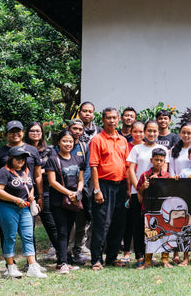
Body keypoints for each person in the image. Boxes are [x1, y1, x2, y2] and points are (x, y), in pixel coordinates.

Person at [0, 146, 47, 279]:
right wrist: (15, 199)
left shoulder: (27, 171)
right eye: (17, 158)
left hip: (25, 208)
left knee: (28, 236)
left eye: (23, 158)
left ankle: (32, 266)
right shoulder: (3, 172)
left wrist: (31, 196)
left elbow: (30, 186)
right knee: (10, 236)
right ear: (11, 158)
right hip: (7, 207)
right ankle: (11, 267)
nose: (21, 160)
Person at [88, 107, 130, 270]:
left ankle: (112, 257)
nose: (112, 121)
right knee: (102, 223)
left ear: (118, 119)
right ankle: (96, 259)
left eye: (114, 118)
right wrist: (97, 190)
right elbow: (93, 166)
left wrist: (127, 190)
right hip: (104, 186)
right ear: (103, 120)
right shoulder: (97, 140)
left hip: (120, 187)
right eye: (108, 118)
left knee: (118, 223)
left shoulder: (122, 140)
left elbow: (126, 166)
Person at [126, 120, 169, 266]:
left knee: (156, 224)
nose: (152, 134)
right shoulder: (137, 149)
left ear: (159, 132)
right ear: (144, 132)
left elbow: (165, 172)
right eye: (149, 131)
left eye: (155, 131)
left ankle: (154, 255)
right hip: (138, 190)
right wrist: (138, 190)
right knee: (139, 225)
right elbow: (131, 170)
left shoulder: (162, 150)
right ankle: (139, 256)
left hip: (157, 195)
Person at [46, 130, 85, 274]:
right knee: (62, 231)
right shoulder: (53, 159)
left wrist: (77, 193)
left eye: (70, 141)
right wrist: (69, 193)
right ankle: (63, 262)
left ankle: (61, 261)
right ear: (58, 143)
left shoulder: (78, 159)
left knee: (68, 231)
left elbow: (81, 179)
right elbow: (52, 182)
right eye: (64, 141)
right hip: (58, 201)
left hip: (74, 200)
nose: (67, 143)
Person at [24, 121, 60, 262]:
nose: (35, 133)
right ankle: (31, 261)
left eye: (38, 131)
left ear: (42, 133)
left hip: (46, 191)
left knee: (52, 225)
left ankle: (62, 257)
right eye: (32, 131)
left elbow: (56, 167)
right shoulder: (23, 149)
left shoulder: (49, 150)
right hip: (27, 192)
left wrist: (41, 171)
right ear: (27, 133)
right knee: (28, 228)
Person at [136, 148, 172, 268]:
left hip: (163, 210)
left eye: (161, 160)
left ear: (164, 162)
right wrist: (144, 187)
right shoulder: (145, 175)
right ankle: (147, 261)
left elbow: (170, 193)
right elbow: (139, 194)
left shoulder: (167, 176)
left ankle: (165, 259)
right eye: (156, 159)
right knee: (149, 234)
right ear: (151, 160)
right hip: (149, 209)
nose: (158, 162)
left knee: (165, 233)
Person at [67, 118, 91, 265]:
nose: (76, 132)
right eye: (74, 128)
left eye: (80, 129)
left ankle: (78, 249)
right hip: (64, 190)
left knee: (82, 221)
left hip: (81, 190)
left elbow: (88, 168)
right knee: (66, 222)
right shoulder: (60, 146)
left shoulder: (84, 146)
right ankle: (64, 251)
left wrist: (79, 188)